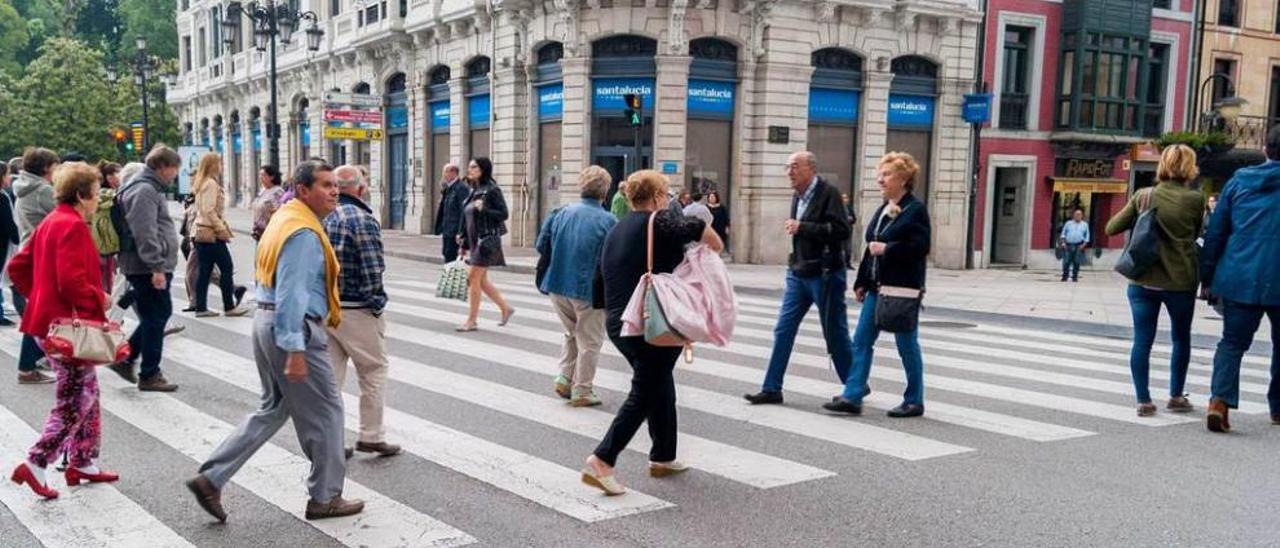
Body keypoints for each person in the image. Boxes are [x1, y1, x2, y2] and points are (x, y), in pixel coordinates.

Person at [188, 160, 364, 522]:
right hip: (292, 327)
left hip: (266, 321)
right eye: (325, 186)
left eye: (335, 185)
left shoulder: (285, 218)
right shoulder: (303, 232)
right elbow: (292, 293)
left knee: (273, 408)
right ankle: (325, 496)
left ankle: (211, 478)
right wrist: (295, 348)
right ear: (303, 190)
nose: (334, 192)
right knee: (328, 412)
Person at [582, 169, 723, 495]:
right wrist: (711, 253)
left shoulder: (616, 229)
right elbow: (702, 230)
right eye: (667, 194)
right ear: (658, 196)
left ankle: (663, 455)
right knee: (644, 391)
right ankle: (603, 459)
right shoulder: (658, 221)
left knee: (659, 382)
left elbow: (598, 282)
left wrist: (615, 315)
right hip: (652, 322)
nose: (668, 200)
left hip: (621, 323)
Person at [6, 162, 117, 500]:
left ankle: (82, 460)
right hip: (66, 326)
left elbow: (17, 267)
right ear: (82, 195)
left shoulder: (52, 220)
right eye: (96, 194)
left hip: (48, 321)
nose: (98, 201)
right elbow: (72, 282)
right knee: (74, 399)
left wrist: (39, 295)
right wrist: (100, 298)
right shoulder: (72, 226)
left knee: (88, 391)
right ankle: (37, 462)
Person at [824, 152, 932, 418]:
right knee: (860, 341)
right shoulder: (883, 208)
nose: (880, 179)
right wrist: (862, 281)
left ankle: (914, 400)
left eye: (887, 174)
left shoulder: (915, 210)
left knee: (906, 344)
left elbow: (920, 247)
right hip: (876, 287)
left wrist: (888, 249)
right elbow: (870, 246)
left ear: (904, 178)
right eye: (880, 174)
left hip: (901, 289)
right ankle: (853, 394)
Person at [744, 151, 853, 406]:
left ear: (810, 169)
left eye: (794, 167)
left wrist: (802, 227)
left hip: (825, 274)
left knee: (834, 332)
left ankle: (854, 386)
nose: (789, 172)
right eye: (787, 167)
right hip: (799, 272)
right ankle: (772, 388)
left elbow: (841, 230)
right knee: (783, 329)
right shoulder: (797, 195)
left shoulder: (829, 193)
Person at [1105, 144, 1204, 417]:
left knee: (1142, 340)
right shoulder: (1196, 199)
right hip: (1179, 281)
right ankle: (1175, 396)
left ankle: (1144, 400)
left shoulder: (1143, 195)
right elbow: (1197, 232)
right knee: (1180, 339)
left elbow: (1111, 227)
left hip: (1142, 279)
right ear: (1189, 168)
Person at [1201, 127, 1280, 433]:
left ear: (1265, 148)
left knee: (1232, 343)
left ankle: (1219, 402)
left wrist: (1207, 277)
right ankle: (1277, 408)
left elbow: (1216, 232)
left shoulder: (1238, 182)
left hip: (1239, 274)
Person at [323, 165, 400, 458]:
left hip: (327, 307)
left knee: (331, 378)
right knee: (373, 371)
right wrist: (377, 304)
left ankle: (331, 440)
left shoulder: (323, 216)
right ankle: (371, 435)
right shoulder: (361, 219)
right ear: (359, 187)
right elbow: (372, 269)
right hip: (357, 308)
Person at [536, 166, 617, 407]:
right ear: (605, 191)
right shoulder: (609, 220)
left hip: (557, 283)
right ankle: (582, 389)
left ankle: (564, 377)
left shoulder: (560, 212)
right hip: (588, 289)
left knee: (572, 332)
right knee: (590, 341)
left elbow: (542, 245)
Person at [108, 145, 182, 392]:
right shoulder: (144, 190)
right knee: (157, 315)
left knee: (154, 315)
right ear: (162, 166)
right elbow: (145, 232)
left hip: (142, 265)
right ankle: (148, 372)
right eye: (174, 168)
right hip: (145, 266)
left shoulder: (145, 187)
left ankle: (127, 359)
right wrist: (157, 267)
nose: (175, 174)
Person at [13, 147, 58, 384]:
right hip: (42, 255)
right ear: (45, 168)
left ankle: (35, 360)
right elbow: (67, 214)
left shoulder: (22, 186)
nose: (56, 170)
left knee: (42, 311)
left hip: (30, 251)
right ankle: (28, 366)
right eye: (54, 166)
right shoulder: (42, 190)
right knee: (41, 313)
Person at [454, 157, 515, 331]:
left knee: (473, 278)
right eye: (469, 167)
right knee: (481, 280)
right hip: (475, 241)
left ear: (483, 169)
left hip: (486, 240)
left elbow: (503, 214)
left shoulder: (492, 190)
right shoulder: (474, 190)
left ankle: (472, 321)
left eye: (474, 167)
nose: (470, 169)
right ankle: (506, 308)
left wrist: (485, 209)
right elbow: (467, 216)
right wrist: (462, 235)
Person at [190, 153, 249, 318]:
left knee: (205, 271)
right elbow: (209, 210)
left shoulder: (202, 182)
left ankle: (201, 307)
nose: (221, 165)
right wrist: (221, 228)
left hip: (201, 232)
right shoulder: (210, 184)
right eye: (219, 162)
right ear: (213, 165)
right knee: (226, 268)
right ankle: (229, 306)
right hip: (211, 233)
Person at [90, 162, 122, 291]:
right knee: (105, 285)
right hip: (107, 246)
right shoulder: (112, 197)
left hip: (95, 245)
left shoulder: (92, 198)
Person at [434, 163, 468, 263]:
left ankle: (452, 277)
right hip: (447, 229)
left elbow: (463, 211)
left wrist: (460, 232)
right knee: (447, 254)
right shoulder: (448, 189)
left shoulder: (461, 188)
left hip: (454, 231)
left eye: (445, 172)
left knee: (451, 257)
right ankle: (449, 277)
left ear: (453, 173)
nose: (444, 175)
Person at [0, 162, 18, 327]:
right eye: (7, 174)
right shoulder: (3, 197)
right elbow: (9, 223)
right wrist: (17, 238)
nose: (9, 178)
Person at [250, 165, 285, 241]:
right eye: (260, 175)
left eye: (263, 175)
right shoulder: (263, 191)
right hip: (259, 232)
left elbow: (279, 211)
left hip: (270, 232)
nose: (260, 177)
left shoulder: (277, 192)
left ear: (271, 177)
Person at [1059, 208, 1090, 282]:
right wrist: (1063, 243)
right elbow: (1063, 234)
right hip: (1068, 245)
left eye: (1079, 214)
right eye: (1076, 214)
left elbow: (1087, 236)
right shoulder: (1068, 223)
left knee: (1077, 261)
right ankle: (1065, 276)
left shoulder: (1085, 225)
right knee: (1066, 261)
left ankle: (1075, 277)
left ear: (1082, 216)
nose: (1078, 216)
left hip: (1079, 245)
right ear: (1073, 215)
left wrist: (1084, 245)